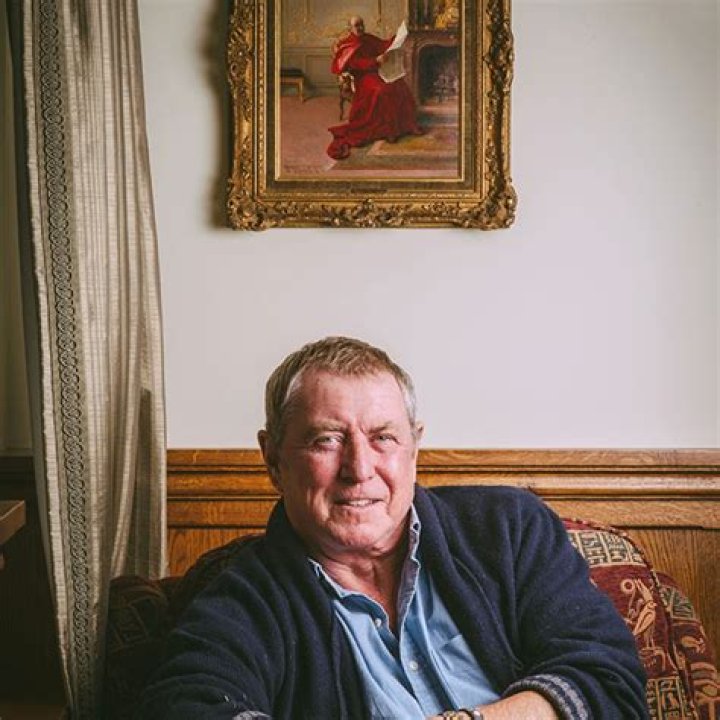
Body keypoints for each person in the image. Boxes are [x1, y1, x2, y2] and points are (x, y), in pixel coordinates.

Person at [139, 337, 649, 719]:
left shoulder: (509, 530)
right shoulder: (244, 595)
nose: (359, 468)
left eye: (383, 437)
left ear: (414, 447)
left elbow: (607, 677)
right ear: (272, 458)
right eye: (326, 440)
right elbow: (187, 705)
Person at [327, 16, 423, 160]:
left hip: (378, 72)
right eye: (357, 25)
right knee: (381, 90)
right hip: (363, 77)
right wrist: (375, 61)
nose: (360, 28)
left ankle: (403, 126)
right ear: (350, 28)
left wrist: (397, 37)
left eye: (361, 24)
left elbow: (383, 45)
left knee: (398, 85)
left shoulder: (368, 38)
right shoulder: (347, 45)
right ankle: (387, 130)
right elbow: (354, 64)